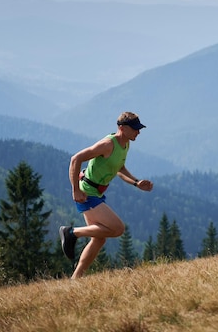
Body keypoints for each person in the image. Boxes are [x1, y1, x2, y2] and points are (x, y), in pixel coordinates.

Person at [60, 111, 153, 278]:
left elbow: (118, 168)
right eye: (135, 129)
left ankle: (75, 279)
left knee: (98, 238)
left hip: (96, 192)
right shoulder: (108, 144)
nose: (138, 132)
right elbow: (76, 159)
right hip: (87, 192)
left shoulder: (125, 144)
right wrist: (75, 189)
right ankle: (71, 233)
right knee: (118, 229)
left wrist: (136, 182)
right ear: (122, 128)